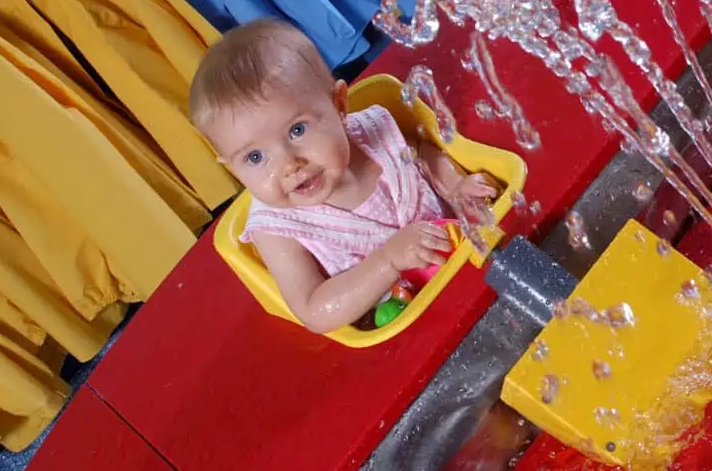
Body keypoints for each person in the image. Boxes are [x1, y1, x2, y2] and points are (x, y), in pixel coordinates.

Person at [188, 19, 499, 333]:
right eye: (255, 157)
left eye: (297, 130)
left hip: (469, 265)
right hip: (408, 323)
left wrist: (456, 186)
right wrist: (388, 262)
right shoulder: (277, 229)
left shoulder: (373, 133)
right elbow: (314, 309)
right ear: (232, 168)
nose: (289, 165)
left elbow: (418, 152)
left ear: (339, 105)